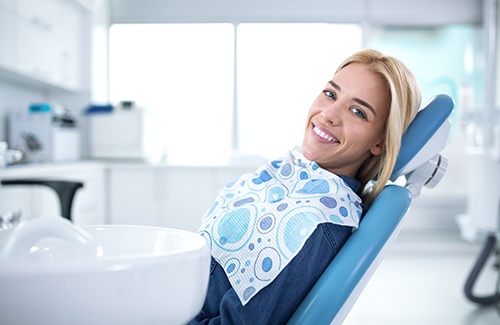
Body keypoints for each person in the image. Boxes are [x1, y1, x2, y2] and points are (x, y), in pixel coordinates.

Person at [189, 49, 422, 324]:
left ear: (380, 142)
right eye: (331, 94)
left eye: (358, 111)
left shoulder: (314, 224)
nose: (328, 115)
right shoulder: (288, 176)